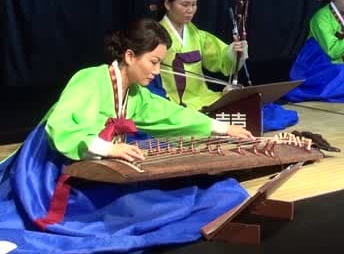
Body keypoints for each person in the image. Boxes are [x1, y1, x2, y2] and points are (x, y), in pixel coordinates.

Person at [0, 19, 253, 252]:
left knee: (177, 196)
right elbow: (60, 126)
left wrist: (223, 128)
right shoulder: (90, 79)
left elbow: (171, 114)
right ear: (130, 56)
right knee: (133, 211)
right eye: (153, 62)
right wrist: (109, 149)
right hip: (50, 167)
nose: (156, 71)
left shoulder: (135, 93)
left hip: (93, 163)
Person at [148, 0, 298, 131]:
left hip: (203, 97)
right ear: (167, 4)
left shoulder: (197, 35)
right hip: (172, 101)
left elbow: (220, 56)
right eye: (184, 5)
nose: (190, 10)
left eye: (194, 5)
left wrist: (234, 51)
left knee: (258, 110)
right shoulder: (155, 36)